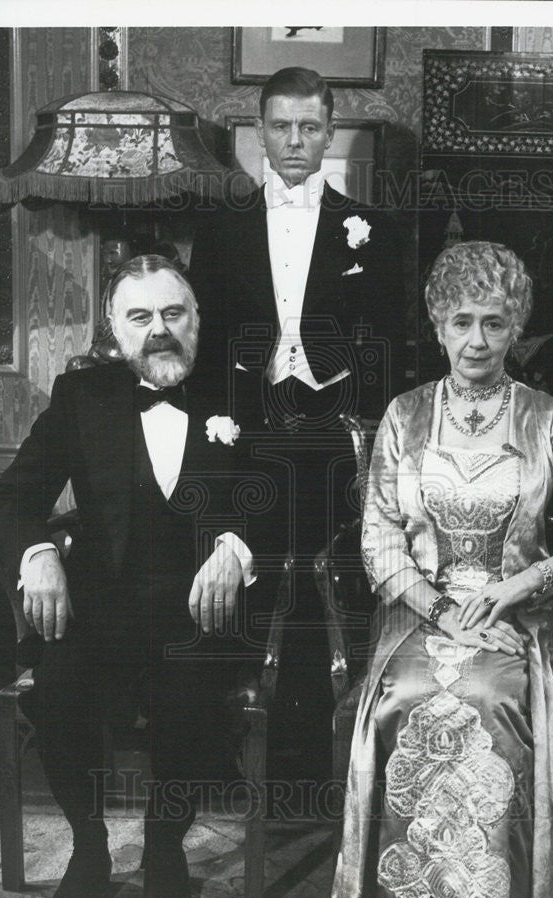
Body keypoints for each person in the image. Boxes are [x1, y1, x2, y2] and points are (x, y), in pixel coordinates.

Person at [329, 242, 553, 898]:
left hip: (519, 617)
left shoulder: (545, 418)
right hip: (420, 614)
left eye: (495, 324)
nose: (477, 340)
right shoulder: (404, 417)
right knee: (405, 696)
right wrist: (442, 614)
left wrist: (527, 584)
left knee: (489, 695)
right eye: (462, 321)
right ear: (437, 326)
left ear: (516, 329)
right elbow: (379, 546)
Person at [0, 255, 258, 898]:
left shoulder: (245, 391)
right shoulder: (83, 396)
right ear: (113, 328)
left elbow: (293, 499)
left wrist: (236, 548)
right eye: (140, 317)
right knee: (56, 688)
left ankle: (165, 846)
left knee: (192, 693)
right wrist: (36, 552)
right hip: (100, 608)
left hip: (202, 611)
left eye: (174, 313)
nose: (159, 330)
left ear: (196, 318)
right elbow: (12, 498)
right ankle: (89, 847)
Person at [189, 67, 406, 764]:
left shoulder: (370, 228)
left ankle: (321, 755)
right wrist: (221, 424)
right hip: (249, 427)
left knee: (326, 583)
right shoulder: (221, 232)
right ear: (259, 132)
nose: (294, 142)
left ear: (329, 133)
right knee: (246, 554)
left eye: (309, 127)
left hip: (337, 433)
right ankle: (243, 755)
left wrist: (355, 409)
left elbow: (388, 346)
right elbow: (210, 344)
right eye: (280, 127)